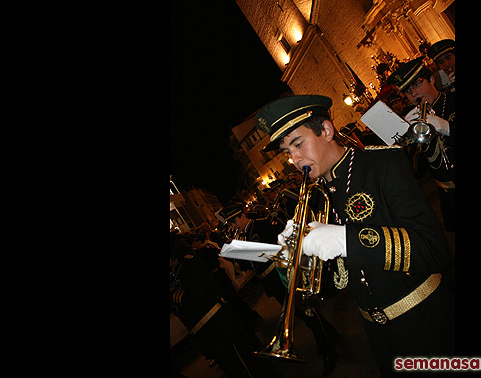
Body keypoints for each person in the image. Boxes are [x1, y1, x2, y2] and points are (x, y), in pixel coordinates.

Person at [254, 95, 454, 377]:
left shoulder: (382, 165)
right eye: (287, 152)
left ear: (326, 130)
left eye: (298, 144)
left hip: (427, 321)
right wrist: (297, 265)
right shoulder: (316, 197)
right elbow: (338, 282)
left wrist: (346, 240)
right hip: (377, 336)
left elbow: (435, 250)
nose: (294, 160)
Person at [220, 203, 340, 376]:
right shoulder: (243, 236)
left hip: (283, 275)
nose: (233, 227)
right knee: (300, 314)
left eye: (233, 223)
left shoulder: (263, 224)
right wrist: (236, 252)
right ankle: (329, 333)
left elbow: (280, 249)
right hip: (272, 283)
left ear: (240, 216)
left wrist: (245, 250)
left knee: (306, 312)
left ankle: (328, 350)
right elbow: (250, 265)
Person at [169, 233, 279, 378]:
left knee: (242, 364)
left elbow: (196, 297)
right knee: (233, 367)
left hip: (217, 324)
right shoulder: (174, 273)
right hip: (203, 330)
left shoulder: (190, 263)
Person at [387, 56, 456, 232]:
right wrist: (402, 142)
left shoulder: (453, 99)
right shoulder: (415, 120)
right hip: (449, 194)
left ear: (431, 79)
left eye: (417, 84)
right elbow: (418, 171)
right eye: (407, 92)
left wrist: (447, 127)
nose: (414, 94)